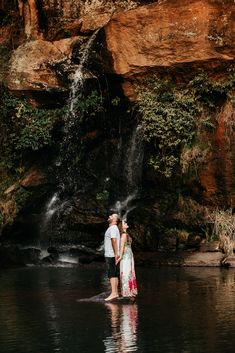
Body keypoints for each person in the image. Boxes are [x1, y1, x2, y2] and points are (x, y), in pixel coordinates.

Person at [117, 220, 138, 298]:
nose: (126, 223)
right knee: (126, 272)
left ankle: (130, 291)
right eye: (124, 223)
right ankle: (127, 292)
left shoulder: (126, 234)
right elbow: (121, 248)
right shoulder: (123, 235)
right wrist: (119, 258)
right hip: (126, 256)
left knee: (128, 272)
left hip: (129, 256)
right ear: (121, 226)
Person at [104, 213, 121, 301]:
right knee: (114, 273)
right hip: (111, 253)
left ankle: (114, 293)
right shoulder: (113, 228)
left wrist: (115, 253)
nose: (109, 216)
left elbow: (113, 240)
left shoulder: (113, 228)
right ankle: (115, 292)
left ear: (115, 220)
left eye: (112, 216)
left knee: (111, 274)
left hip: (111, 254)